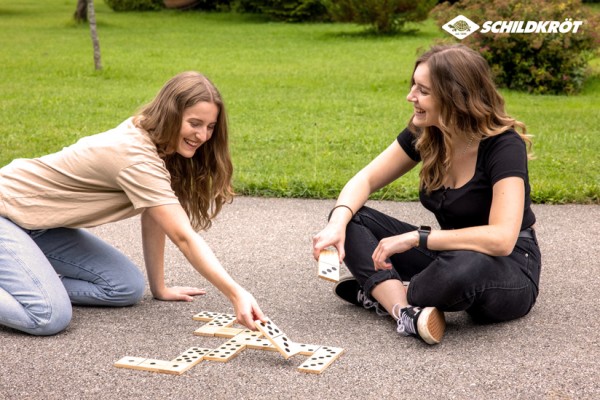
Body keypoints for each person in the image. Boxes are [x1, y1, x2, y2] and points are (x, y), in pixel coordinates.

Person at [0, 71, 266, 336]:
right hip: (6, 213)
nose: (203, 135)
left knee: (124, 286)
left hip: (37, 224)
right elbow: (183, 237)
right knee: (48, 315)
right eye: (195, 123)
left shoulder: (159, 142)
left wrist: (159, 287)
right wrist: (235, 293)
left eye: (210, 127)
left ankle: (28, 282)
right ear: (171, 114)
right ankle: (35, 289)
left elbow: (155, 215)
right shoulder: (135, 157)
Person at [312, 44, 541, 345]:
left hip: (507, 265)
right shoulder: (427, 132)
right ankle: (405, 313)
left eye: (423, 90)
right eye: (413, 87)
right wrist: (336, 225)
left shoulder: (504, 146)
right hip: (449, 253)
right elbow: (365, 179)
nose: (411, 97)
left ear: (455, 96)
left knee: (459, 272)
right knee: (353, 218)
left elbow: (501, 239)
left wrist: (417, 237)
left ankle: (385, 292)